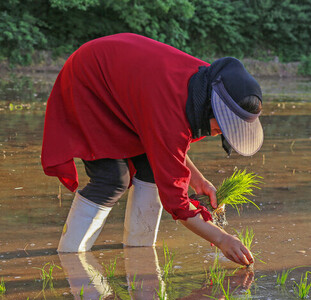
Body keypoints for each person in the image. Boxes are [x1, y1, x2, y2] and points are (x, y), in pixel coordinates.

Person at [41, 33, 262, 265]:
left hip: (130, 84)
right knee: (111, 180)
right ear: (211, 109)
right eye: (224, 127)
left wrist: (198, 180)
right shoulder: (177, 108)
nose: (221, 134)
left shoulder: (210, 86)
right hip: (91, 80)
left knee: (151, 171)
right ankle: (70, 261)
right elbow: (176, 200)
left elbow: (165, 143)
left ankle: (139, 255)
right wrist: (222, 239)